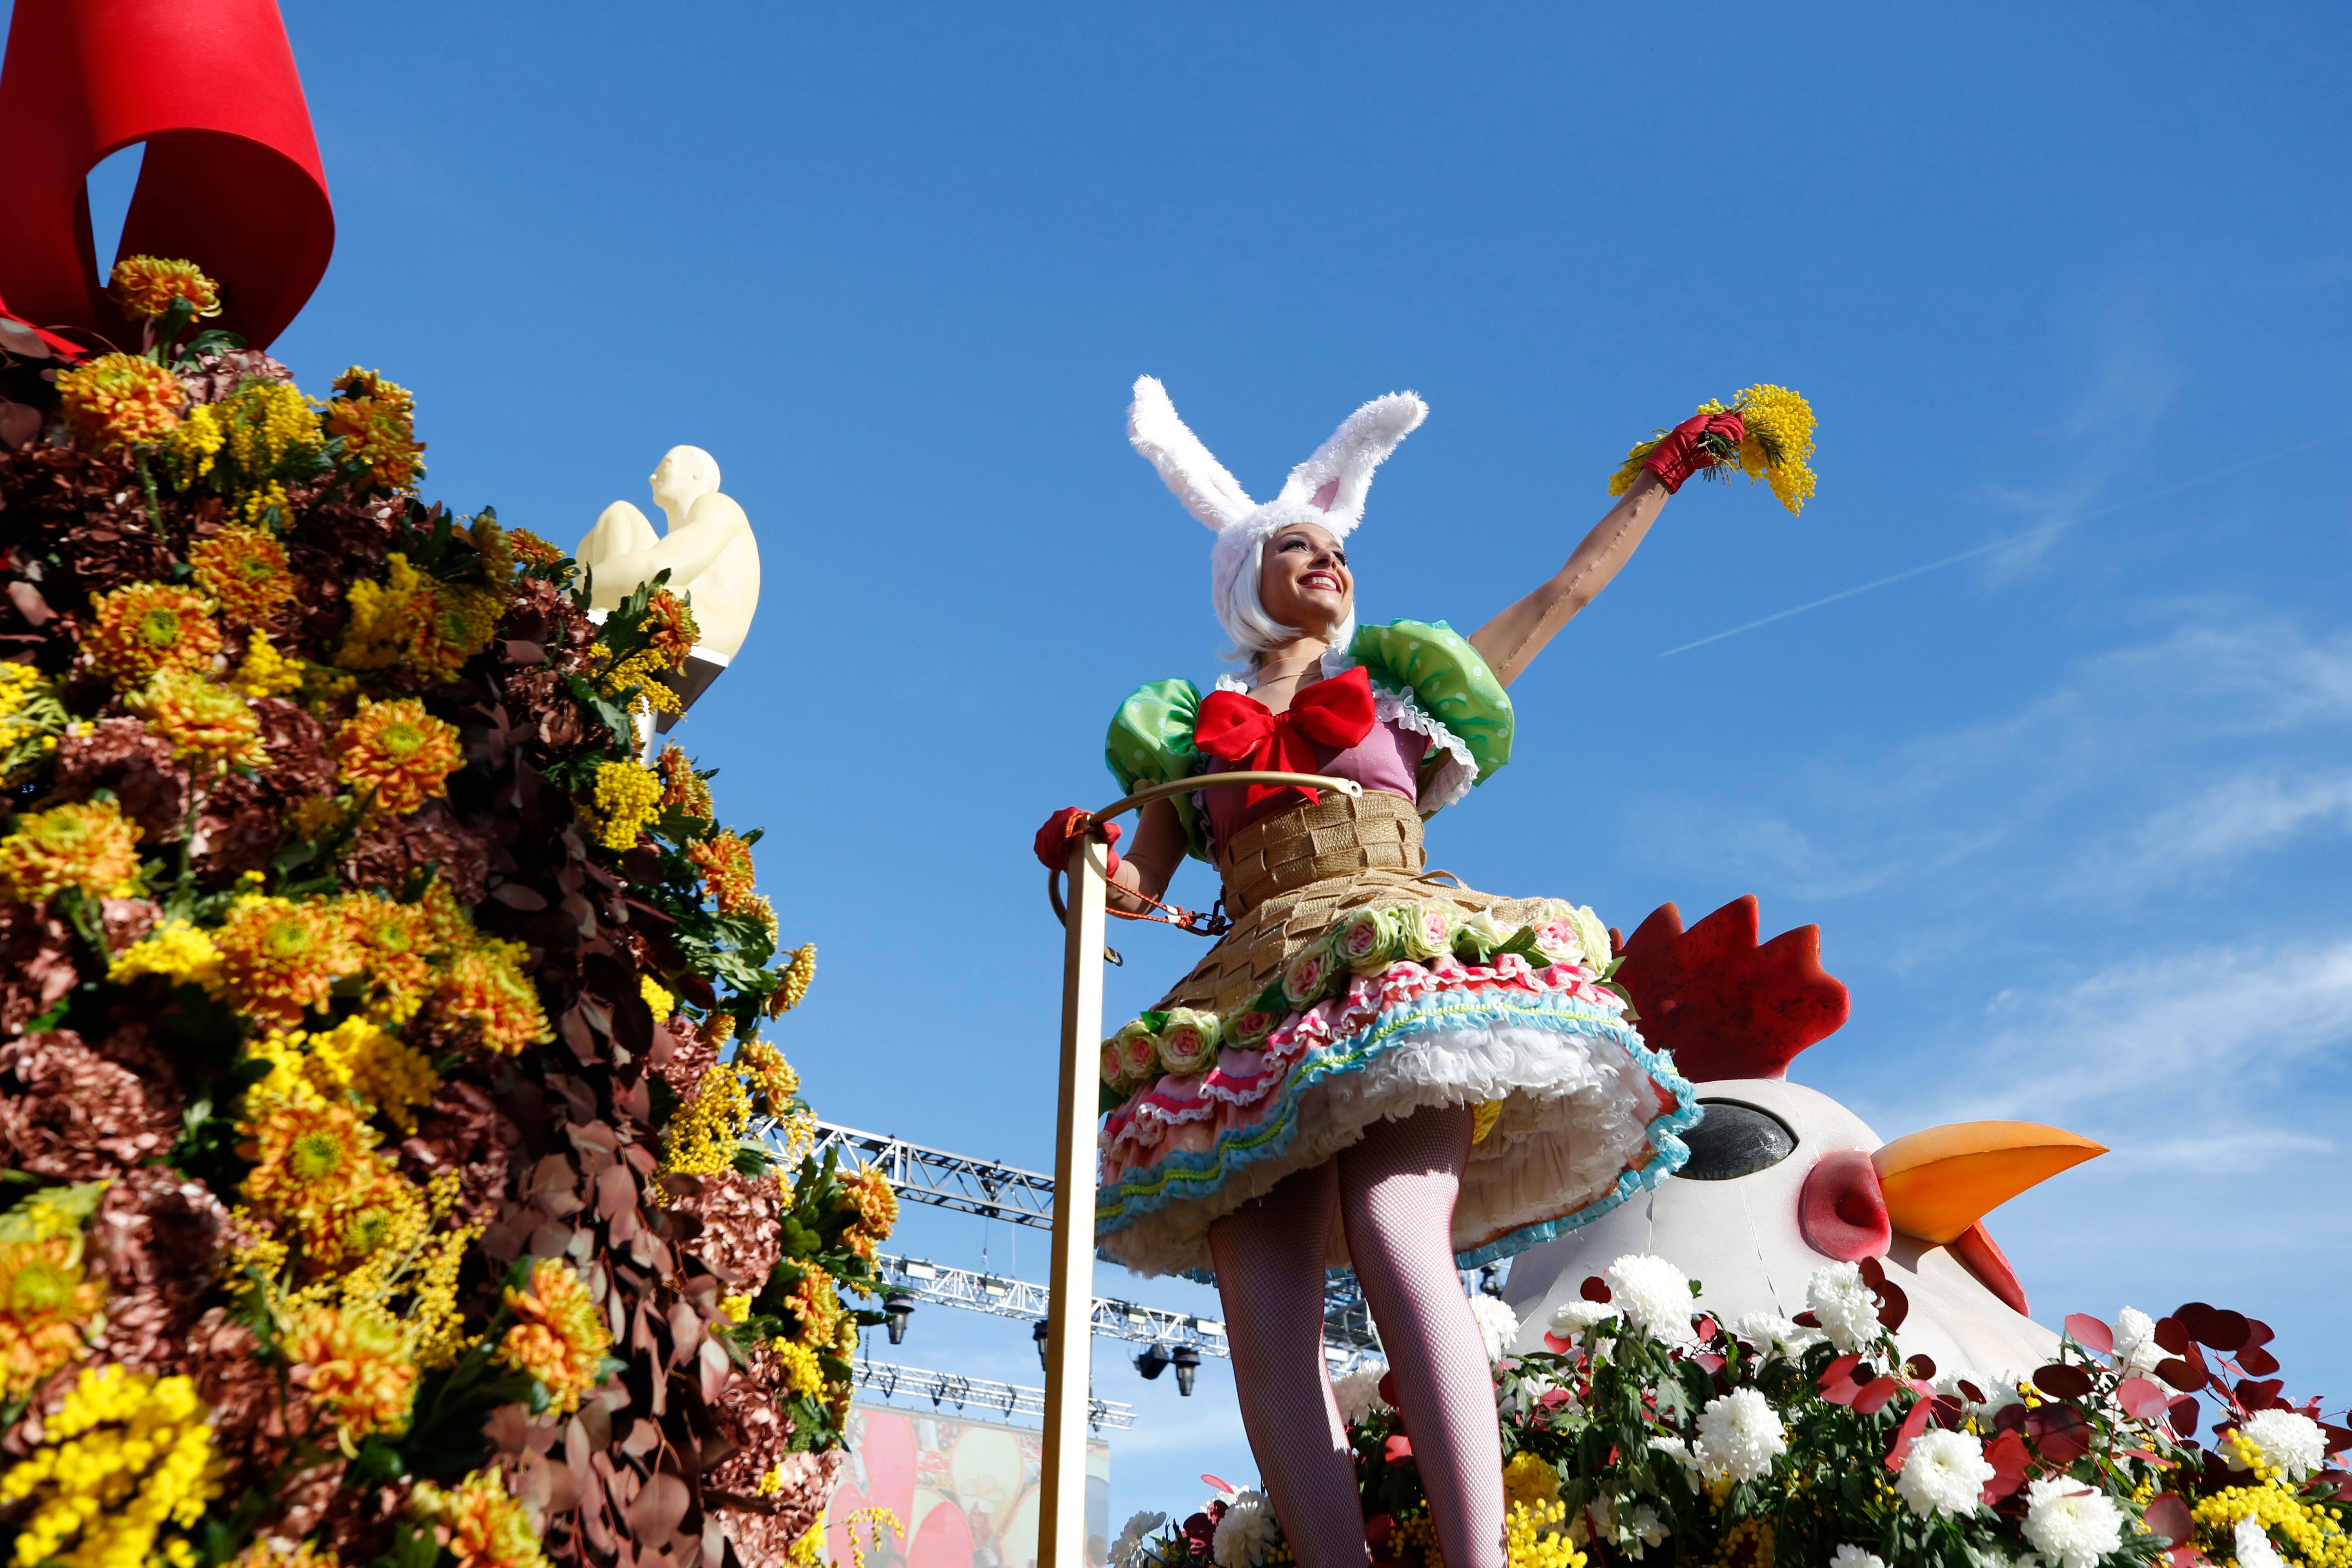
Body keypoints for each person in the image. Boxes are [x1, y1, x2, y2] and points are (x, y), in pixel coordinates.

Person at [1034, 378, 1754, 1568]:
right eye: (1295, 546)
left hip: (1390, 964)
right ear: (1242, 580)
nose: (1328, 560)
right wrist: (1087, 855)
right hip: (1251, 996)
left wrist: (1663, 478)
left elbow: (1563, 595)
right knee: (1263, 1317)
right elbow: (1137, 888)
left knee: (1392, 1228)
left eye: (1335, 546)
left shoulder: (1408, 692)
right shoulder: (1183, 729)